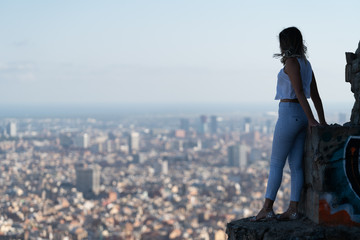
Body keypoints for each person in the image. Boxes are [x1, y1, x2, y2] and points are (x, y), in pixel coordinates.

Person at [251, 27, 327, 221]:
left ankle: (267, 207)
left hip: (289, 114)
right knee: (296, 166)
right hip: (300, 117)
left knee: (276, 163)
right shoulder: (306, 64)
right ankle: (293, 209)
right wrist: (320, 119)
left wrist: (312, 119)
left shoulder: (292, 63)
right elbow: (316, 96)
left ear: (285, 43)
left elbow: (300, 92)